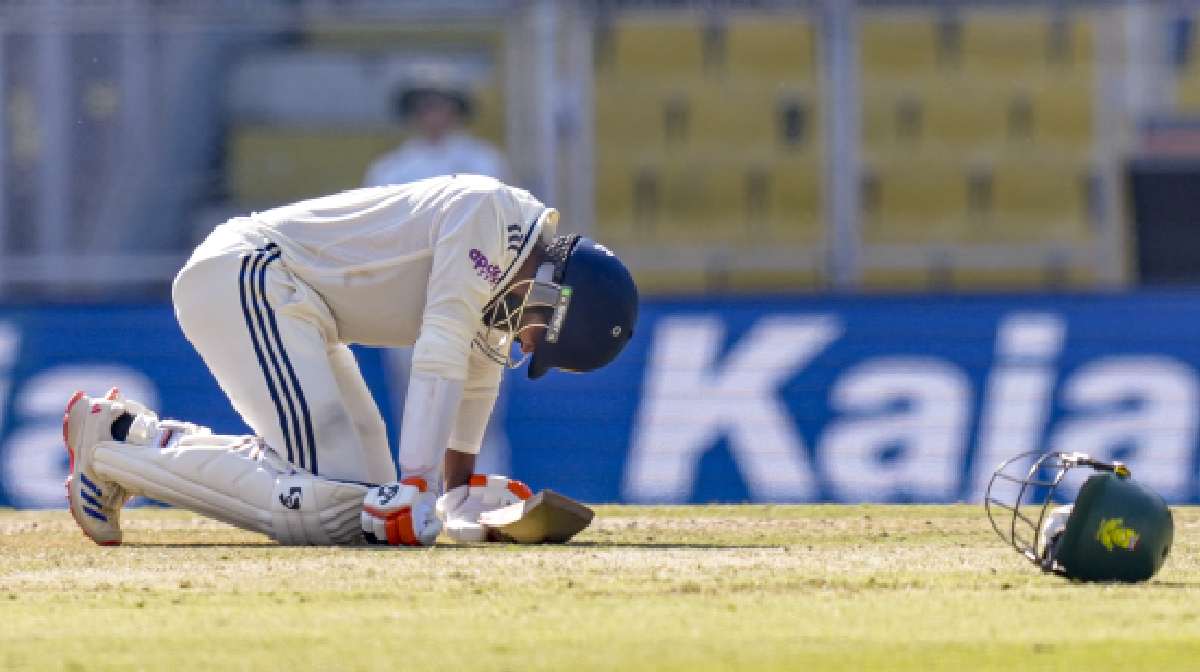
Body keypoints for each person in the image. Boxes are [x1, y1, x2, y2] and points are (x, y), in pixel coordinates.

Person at [62, 174, 638, 547]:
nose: (529, 346)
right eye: (545, 337)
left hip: (296, 303)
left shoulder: (511, 258)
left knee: (355, 501)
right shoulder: (491, 217)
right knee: (327, 510)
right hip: (251, 275)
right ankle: (110, 455)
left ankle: (135, 438)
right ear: (556, 299)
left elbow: (476, 370)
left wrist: (455, 491)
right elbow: (439, 350)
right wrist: (417, 483)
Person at [363, 82, 509, 187]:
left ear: (457, 111)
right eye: (426, 107)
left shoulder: (484, 159)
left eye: (442, 106)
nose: (434, 116)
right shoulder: (391, 167)